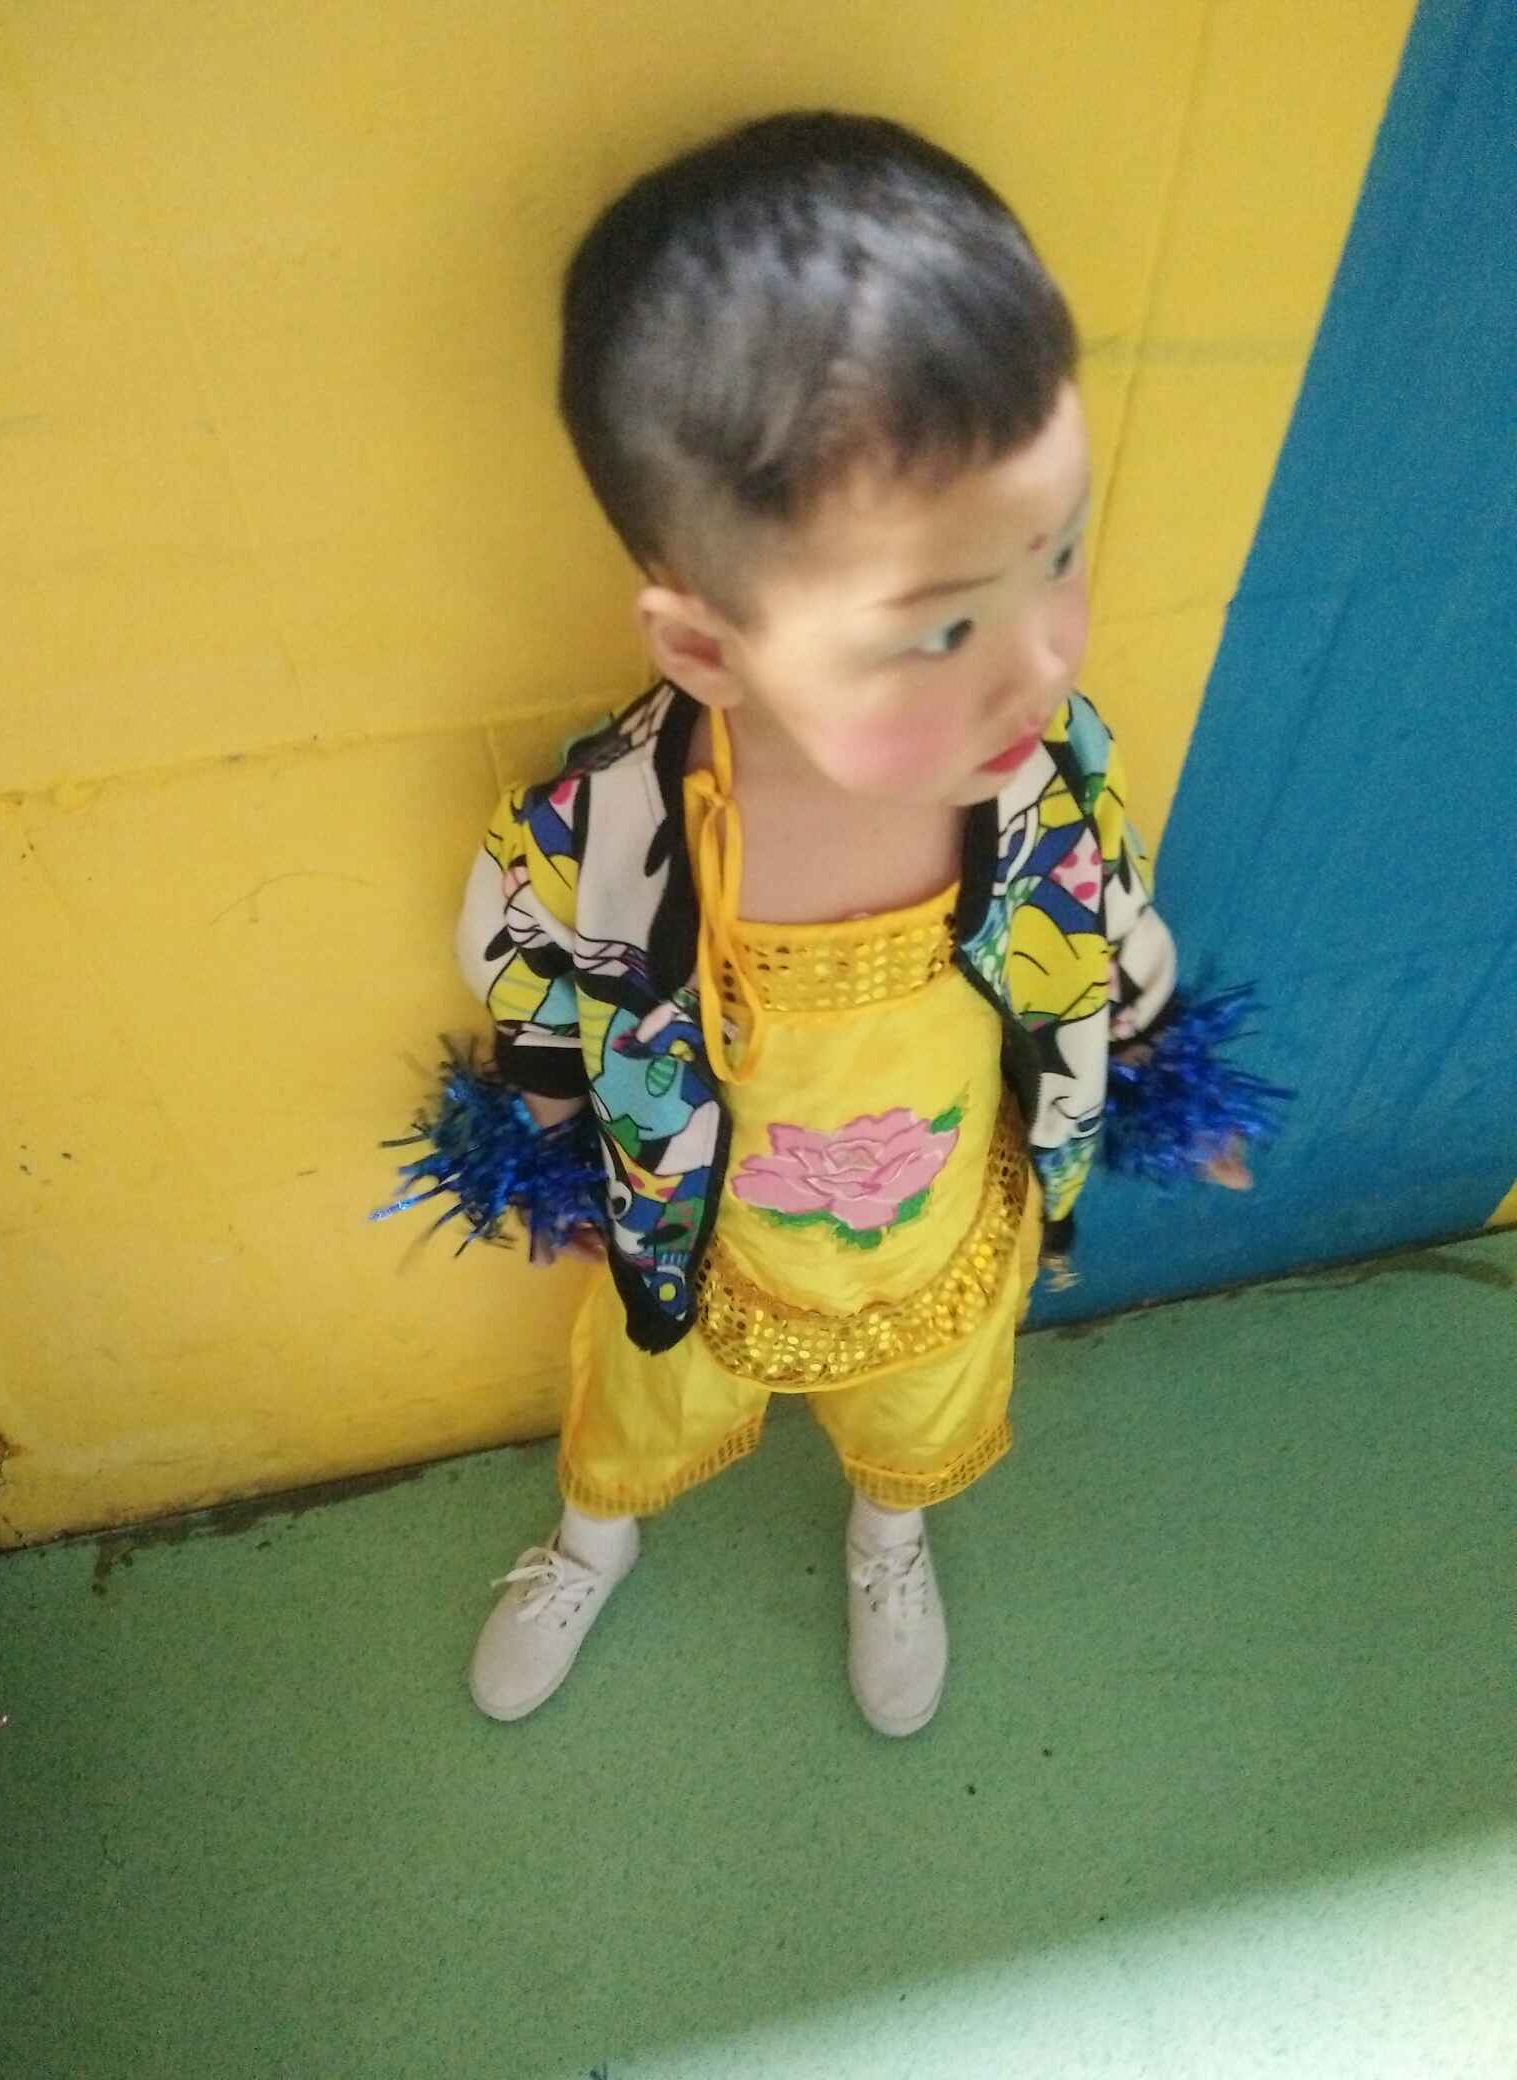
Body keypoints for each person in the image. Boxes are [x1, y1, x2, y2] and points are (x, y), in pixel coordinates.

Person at [445, 111, 1255, 1736]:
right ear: (705, 648)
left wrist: (1160, 1058)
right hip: (699, 1238)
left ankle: (890, 1536)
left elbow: (1105, 910)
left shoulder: (1037, 778)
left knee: (919, 1406)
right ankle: (595, 1536)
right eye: (941, 627)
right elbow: (525, 965)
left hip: (937, 1228)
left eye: (1060, 552)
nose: (1039, 662)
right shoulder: (610, 833)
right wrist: (542, 1130)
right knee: (639, 1391)